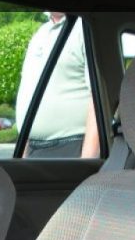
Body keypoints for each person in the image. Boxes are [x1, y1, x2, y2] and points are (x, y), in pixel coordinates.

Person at [15, 12, 100, 159]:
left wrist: (86, 162)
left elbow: (99, 97)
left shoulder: (85, 28)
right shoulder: (41, 32)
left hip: (71, 148)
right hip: (32, 149)